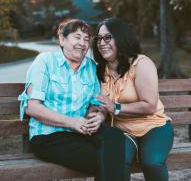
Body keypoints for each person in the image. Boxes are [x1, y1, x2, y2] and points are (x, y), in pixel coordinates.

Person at [18, 19, 126, 181]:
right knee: (105, 159)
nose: (82, 43)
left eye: (86, 39)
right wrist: (71, 122)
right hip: (48, 135)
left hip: (81, 130)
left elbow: (95, 103)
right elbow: (32, 108)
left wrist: (97, 116)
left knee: (115, 136)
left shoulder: (90, 66)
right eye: (77, 37)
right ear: (62, 39)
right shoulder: (45, 61)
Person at [92, 18, 174, 181]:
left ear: (121, 38)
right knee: (115, 162)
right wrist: (100, 114)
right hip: (122, 131)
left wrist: (115, 108)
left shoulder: (141, 63)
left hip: (154, 127)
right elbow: (101, 103)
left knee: (152, 163)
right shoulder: (99, 70)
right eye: (99, 38)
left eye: (107, 37)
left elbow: (149, 106)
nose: (102, 43)